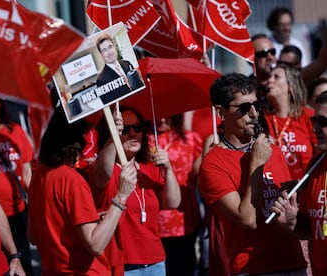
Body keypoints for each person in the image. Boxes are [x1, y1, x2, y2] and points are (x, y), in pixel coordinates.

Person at [198, 73, 307, 275]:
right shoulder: (212, 164)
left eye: (257, 105)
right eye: (244, 108)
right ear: (221, 113)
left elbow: (289, 209)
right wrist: (256, 163)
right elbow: (248, 219)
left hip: (294, 262)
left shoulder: (270, 149)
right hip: (253, 268)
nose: (255, 114)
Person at [28, 105, 137, 275]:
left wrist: (89, 220)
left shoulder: (38, 176)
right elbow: (95, 244)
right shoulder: (71, 179)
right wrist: (121, 197)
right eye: (84, 135)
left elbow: (33, 235)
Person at [91, 105, 181, 276]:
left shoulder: (148, 168)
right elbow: (102, 173)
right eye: (125, 129)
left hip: (155, 261)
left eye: (138, 127)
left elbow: (173, 203)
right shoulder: (106, 167)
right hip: (120, 264)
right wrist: (113, 136)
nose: (133, 133)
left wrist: (168, 168)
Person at [272, 90, 327, 276]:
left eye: (323, 122)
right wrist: (292, 222)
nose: (315, 129)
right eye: (314, 121)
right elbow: (313, 229)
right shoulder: (316, 165)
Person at [148, 115, 203, 276]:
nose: (162, 119)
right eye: (158, 116)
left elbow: (198, 174)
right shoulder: (144, 141)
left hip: (184, 219)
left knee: (184, 268)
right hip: (154, 221)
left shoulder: (191, 139)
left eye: (167, 116)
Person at [0, 98, 34, 275]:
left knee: (24, 265)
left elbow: (27, 172)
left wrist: (34, 205)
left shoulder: (15, 131)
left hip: (18, 211)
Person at [264, 64, 317, 180]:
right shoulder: (263, 118)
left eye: (276, 77)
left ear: (290, 85)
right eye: (269, 77)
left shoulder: (308, 115)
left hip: (305, 184)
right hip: (276, 186)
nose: (269, 80)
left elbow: (320, 152)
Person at [95, 33, 143, 105]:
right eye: (104, 50)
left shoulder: (127, 64)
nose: (109, 52)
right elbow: (110, 106)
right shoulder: (101, 80)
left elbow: (139, 86)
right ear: (101, 54)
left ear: (114, 47)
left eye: (110, 47)